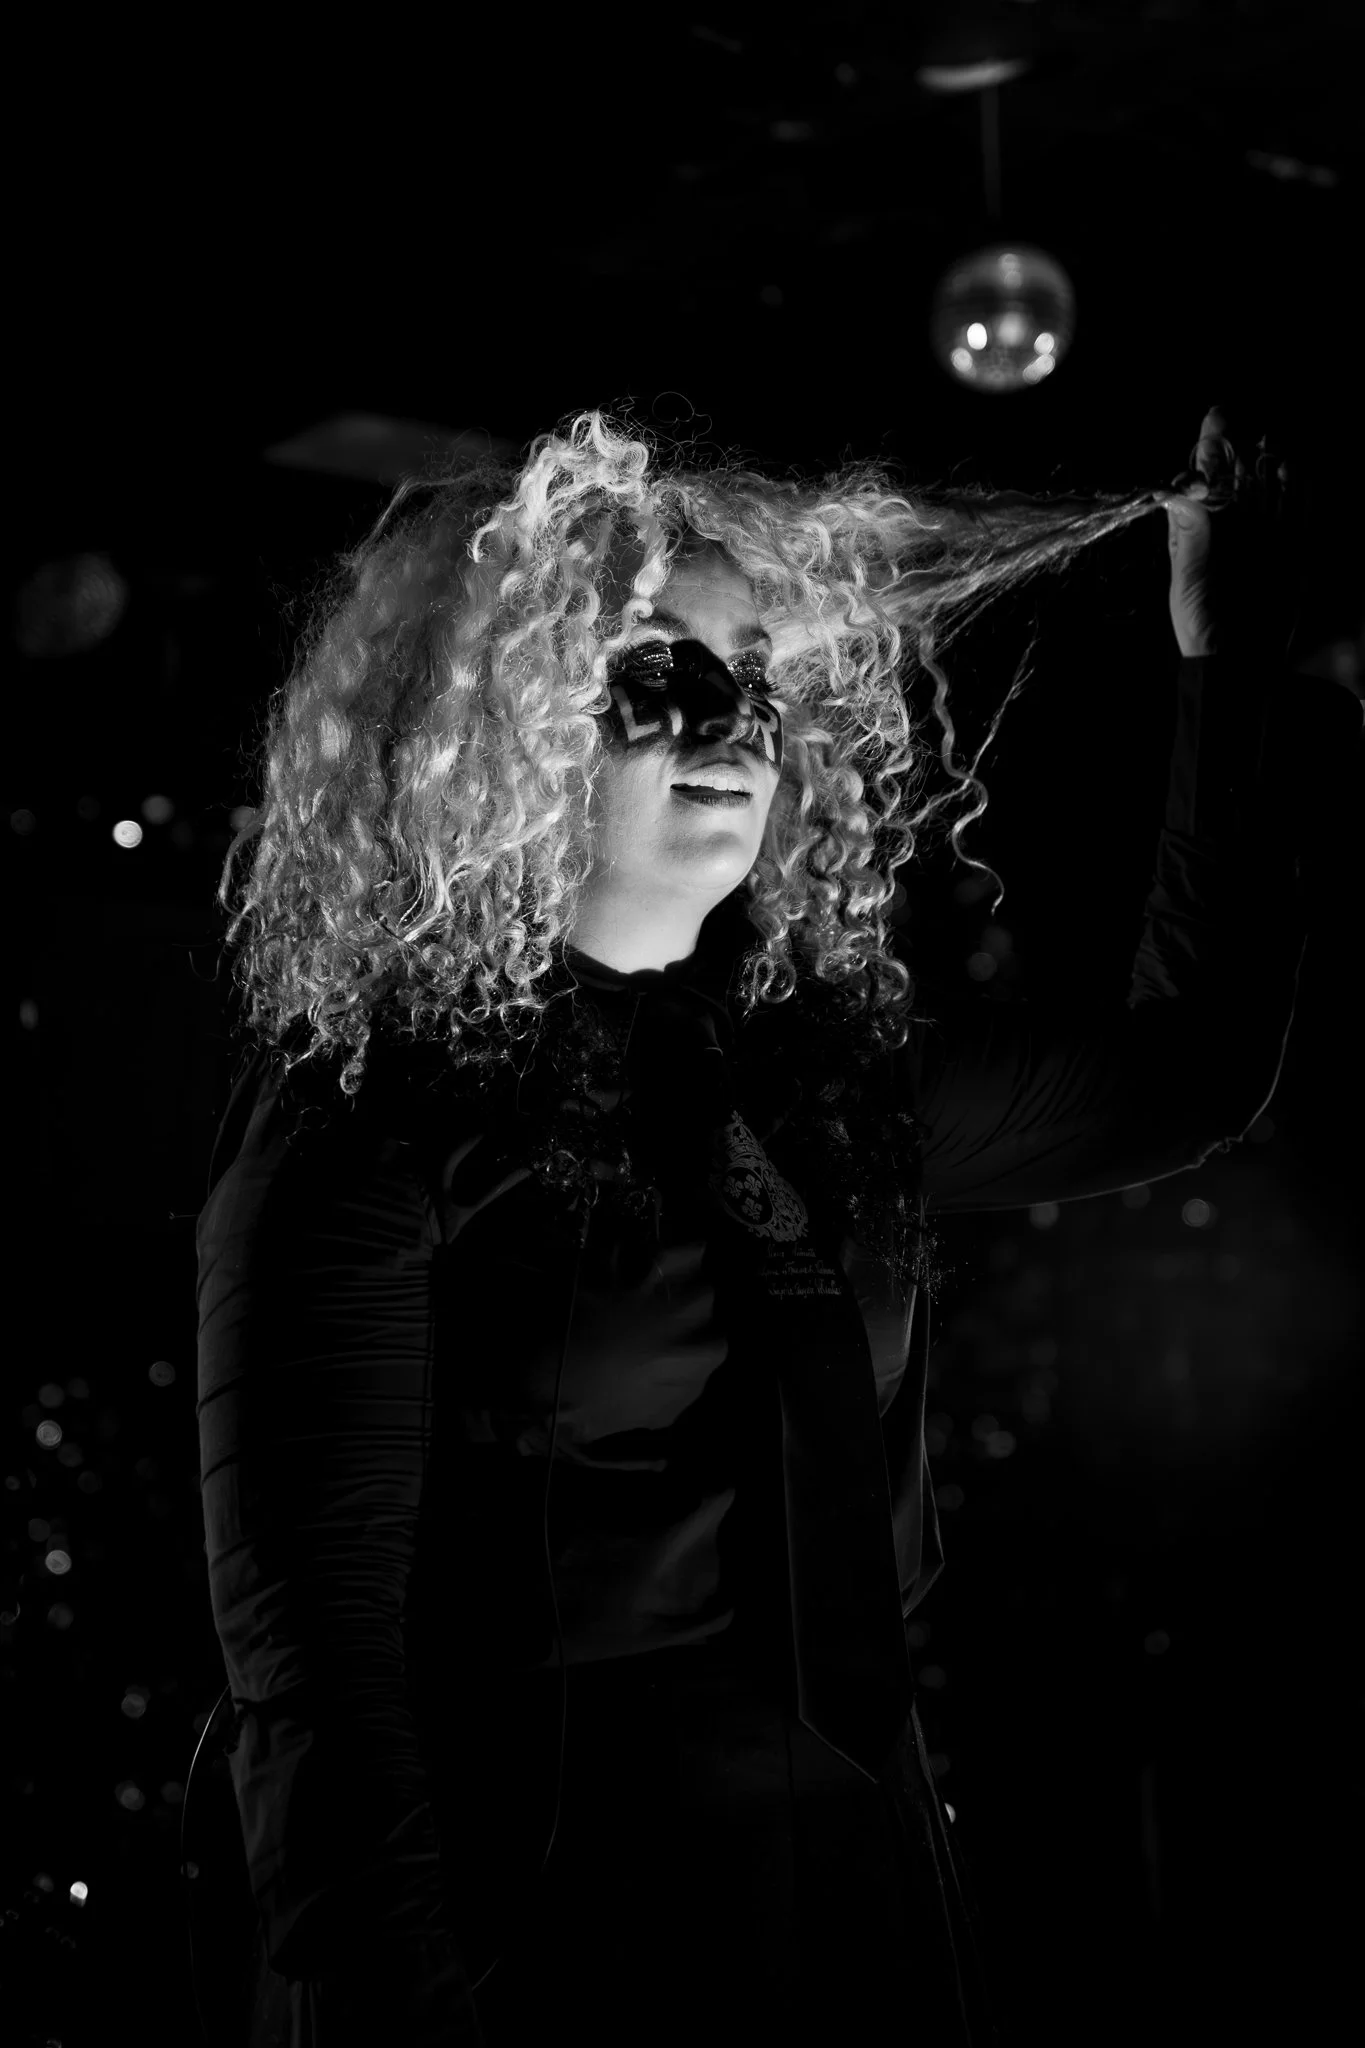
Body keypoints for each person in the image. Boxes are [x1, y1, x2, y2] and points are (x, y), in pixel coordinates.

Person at [190, 404, 1348, 2047]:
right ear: (497, 722)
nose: (729, 722)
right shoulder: (370, 1121)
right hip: (530, 1921)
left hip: (837, 1891)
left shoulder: (816, 1082)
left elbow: (1192, 1076)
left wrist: (1233, 665)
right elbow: (313, 1668)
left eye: (753, 676)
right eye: (657, 670)